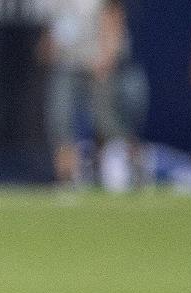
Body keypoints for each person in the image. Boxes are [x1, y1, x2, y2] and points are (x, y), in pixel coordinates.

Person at [38, 0, 141, 188]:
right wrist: (49, 47)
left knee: (109, 124)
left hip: (99, 64)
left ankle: (134, 169)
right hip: (68, 64)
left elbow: (113, 18)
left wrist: (107, 56)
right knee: (60, 120)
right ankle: (67, 179)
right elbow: (52, 32)